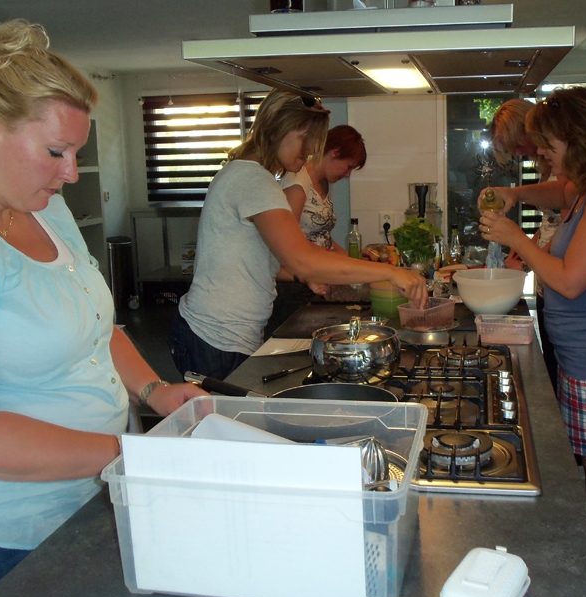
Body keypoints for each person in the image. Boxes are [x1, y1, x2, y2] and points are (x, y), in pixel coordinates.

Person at [0, 20, 206, 597]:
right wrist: (131, 455)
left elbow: (93, 325)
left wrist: (154, 391)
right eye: (56, 152)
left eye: (76, 153)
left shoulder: (44, 209)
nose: (71, 173)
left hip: (75, 500)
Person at [478, 86, 586, 597]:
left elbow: (571, 281)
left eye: (547, 143)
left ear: (577, 137)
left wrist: (517, 238)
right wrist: (517, 196)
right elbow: (559, 191)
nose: (541, 153)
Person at [168, 90, 426, 381]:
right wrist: (390, 272)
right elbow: (302, 258)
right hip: (214, 337)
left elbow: (280, 255)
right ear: (278, 128)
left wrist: (306, 276)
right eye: (305, 139)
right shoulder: (253, 180)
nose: (310, 150)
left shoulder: (250, 176)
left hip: (223, 335)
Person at [490, 98, 567, 396]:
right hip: (548, 283)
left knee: (557, 368)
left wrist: (524, 258)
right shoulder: (547, 166)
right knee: (552, 363)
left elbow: (565, 230)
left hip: (556, 277)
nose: (517, 152)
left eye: (518, 143)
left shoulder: (566, 171)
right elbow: (549, 225)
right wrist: (522, 252)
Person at [264, 124, 368, 338]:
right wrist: (307, 276)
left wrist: (353, 261)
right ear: (334, 153)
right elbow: (282, 243)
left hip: (315, 278)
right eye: (348, 167)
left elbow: (321, 237)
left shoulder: (323, 182)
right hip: (294, 285)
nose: (348, 175)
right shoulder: (297, 183)